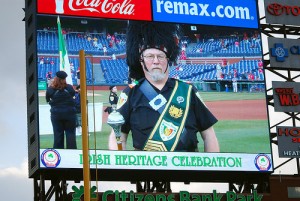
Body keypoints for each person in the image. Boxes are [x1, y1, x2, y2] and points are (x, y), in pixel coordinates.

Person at [108, 21, 219, 152]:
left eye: (160, 56)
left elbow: (209, 134)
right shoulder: (130, 93)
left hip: (187, 168)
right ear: (141, 60)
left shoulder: (188, 91)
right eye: (149, 56)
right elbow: (118, 136)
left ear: (168, 59)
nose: (155, 61)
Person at [45, 71, 77, 149]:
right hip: (70, 114)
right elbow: (73, 94)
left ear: (56, 78)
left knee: (58, 134)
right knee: (71, 134)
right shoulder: (69, 87)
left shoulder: (50, 89)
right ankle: (72, 153)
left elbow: (47, 99)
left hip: (56, 114)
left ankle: (59, 153)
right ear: (65, 79)